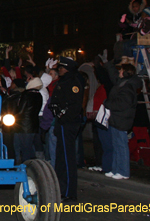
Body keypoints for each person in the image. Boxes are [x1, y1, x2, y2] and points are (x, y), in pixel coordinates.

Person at [49, 57, 84, 201]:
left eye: (62, 68)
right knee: (60, 159)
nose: (60, 70)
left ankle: (69, 191)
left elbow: (74, 105)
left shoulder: (73, 82)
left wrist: (63, 115)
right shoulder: (64, 81)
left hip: (68, 124)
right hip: (62, 123)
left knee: (67, 158)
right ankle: (61, 189)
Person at [99, 63, 141, 180]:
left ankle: (123, 171)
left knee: (121, 146)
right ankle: (116, 169)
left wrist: (108, 103)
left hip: (122, 119)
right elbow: (113, 76)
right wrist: (108, 65)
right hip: (117, 118)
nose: (119, 72)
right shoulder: (123, 84)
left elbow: (122, 104)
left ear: (125, 72)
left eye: (121, 70)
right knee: (116, 145)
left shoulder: (128, 87)